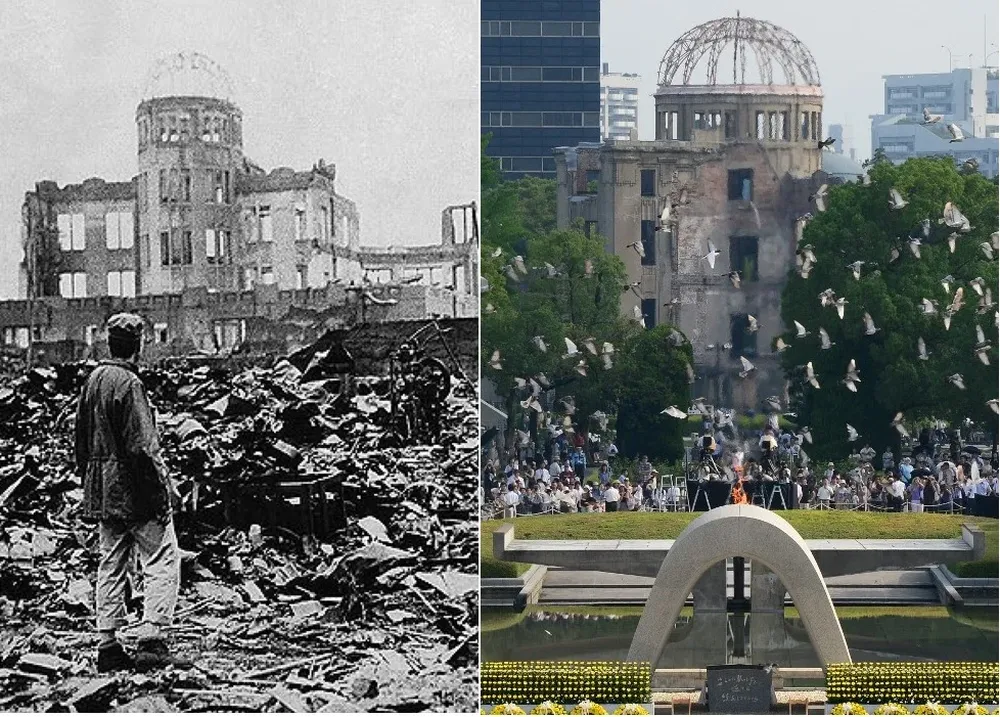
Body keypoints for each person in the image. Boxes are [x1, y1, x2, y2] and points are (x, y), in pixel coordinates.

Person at [75, 313, 186, 673]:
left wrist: (92, 482)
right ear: (138, 345)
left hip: (103, 490)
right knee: (162, 557)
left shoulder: (93, 381)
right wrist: (163, 493)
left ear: (110, 343)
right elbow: (143, 448)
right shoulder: (129, 384)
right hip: (134, 490)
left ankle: (107, 646)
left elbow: (79, 441)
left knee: (111, 562)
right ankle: (152, 640)